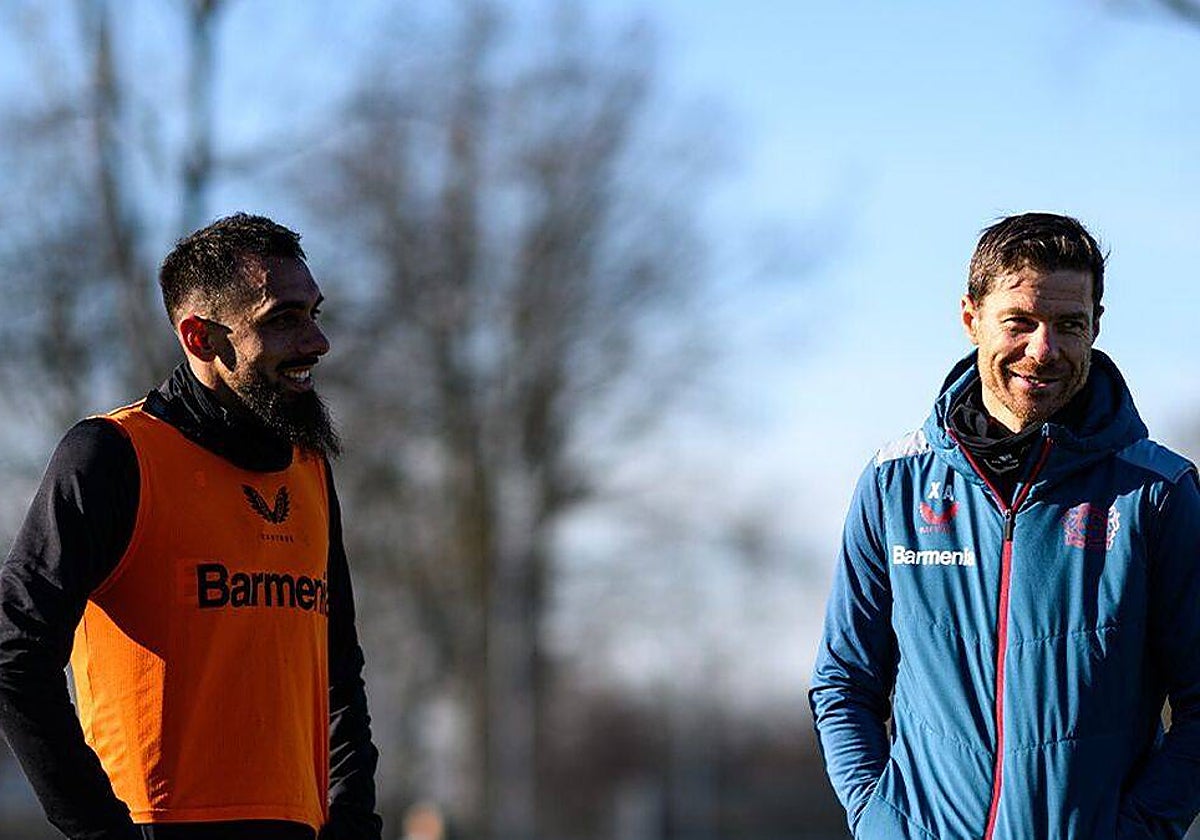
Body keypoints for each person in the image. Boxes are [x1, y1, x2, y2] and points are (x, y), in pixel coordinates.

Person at [810, 213, 1200, 839]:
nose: (1043, 350)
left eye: (1069, 325)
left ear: (1096, 325)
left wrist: (1139, 830)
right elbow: (844, 683)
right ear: (971, 318)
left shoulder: (1158, 493)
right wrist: (879, 820)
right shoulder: (893, 484)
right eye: (1019, 322)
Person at [0, 213, 382, 840]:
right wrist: (102, 832)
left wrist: (354, 825)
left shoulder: (310, 467)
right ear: (201, 338)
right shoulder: (112, 456)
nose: (317, 341)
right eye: (283, 319)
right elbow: (15, 654)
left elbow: (339, 671)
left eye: (314, 313)